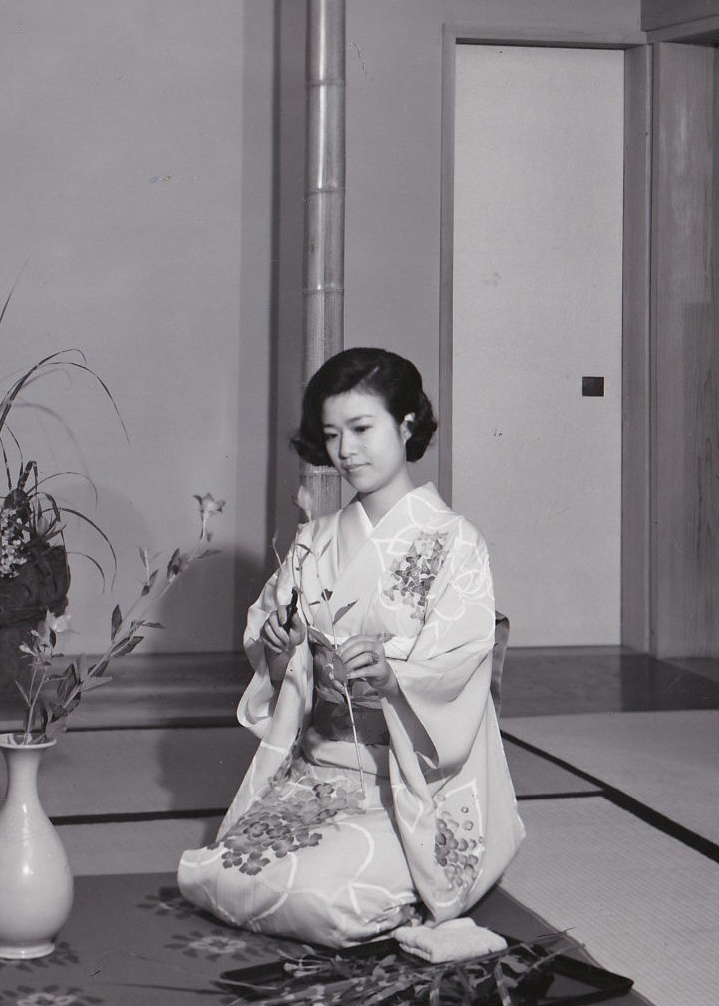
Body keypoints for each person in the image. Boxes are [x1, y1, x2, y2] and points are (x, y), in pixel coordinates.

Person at [177, 347, 524, 949]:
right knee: (223, 876)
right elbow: (281, 668)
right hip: (323, 768)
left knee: (322, 901)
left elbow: (458, 671)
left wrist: (393, 679)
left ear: (406, 425)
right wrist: (283, 650)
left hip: (414, 780)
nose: (345, 450)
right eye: (333, 434)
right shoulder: (314, 541)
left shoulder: (457, 544)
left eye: (362, 429)